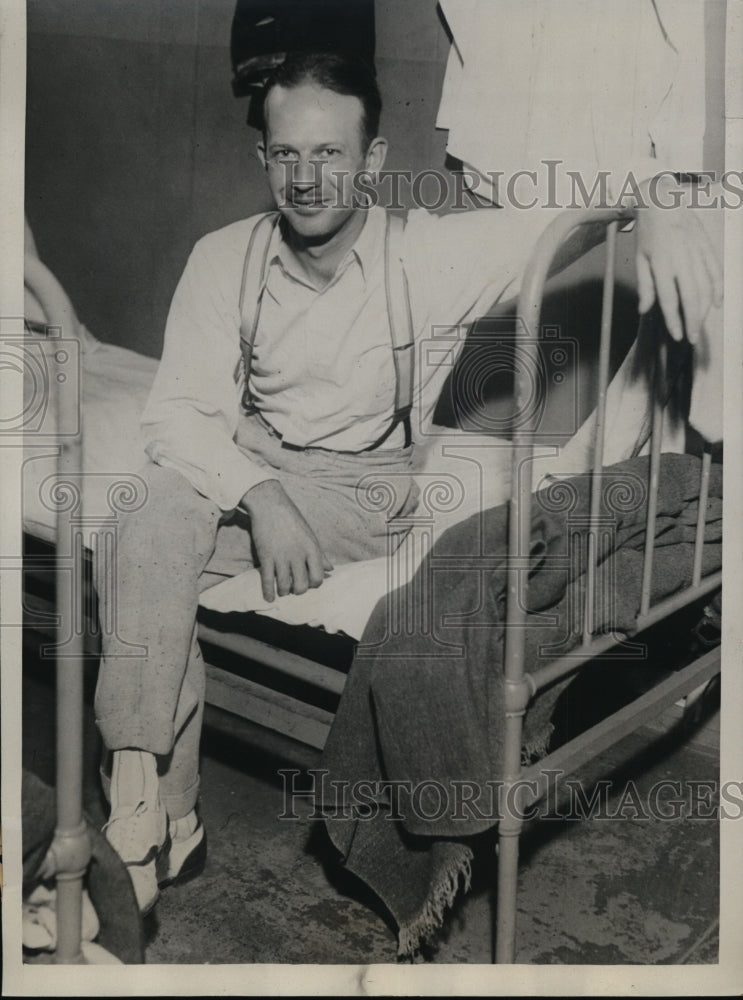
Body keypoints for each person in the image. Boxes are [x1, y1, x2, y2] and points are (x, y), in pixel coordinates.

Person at [93, 50, 722, 914]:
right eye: (286, 154)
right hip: (263, 471)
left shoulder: (425, 253)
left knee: (150, 543)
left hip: (366, 492)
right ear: (263, 157)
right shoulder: (222, 258)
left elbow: (569, 213)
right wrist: (262, 496)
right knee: (142, 522)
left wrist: (655, 198)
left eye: (330, 154)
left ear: (373, 161)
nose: (306, 179)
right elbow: (176, 417)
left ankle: (153, 820)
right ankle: (147, 811)